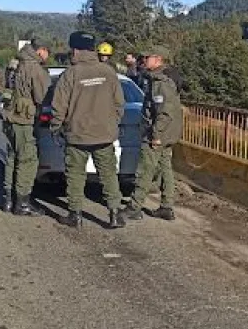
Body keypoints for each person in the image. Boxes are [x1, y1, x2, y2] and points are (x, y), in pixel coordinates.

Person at [50, 31, 126, 229]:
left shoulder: (70, 74)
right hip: (104, 134)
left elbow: (59, 106)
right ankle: (115, 213)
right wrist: (112, 123)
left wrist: (56, 127)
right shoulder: (109, 73)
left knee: (75, 175)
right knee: (108, 174)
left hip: (77, 135)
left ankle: (75, 215)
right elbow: (119, 103)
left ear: (75, 50)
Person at [121, 45, 183, 222]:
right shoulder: (163, 79)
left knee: (145, 169)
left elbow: (164, 112)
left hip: (158, 134)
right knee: (165, 169)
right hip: (168, 133)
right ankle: (166, 206)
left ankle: (135, 206)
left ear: (158, 60)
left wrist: (156, 135)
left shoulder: (160, 83)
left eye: (148, 58)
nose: (144, 60)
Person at [2, 39, 50, 215]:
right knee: (28, 160)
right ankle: (22, 203)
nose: (47, 57)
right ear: (41, 50)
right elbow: (40, 97)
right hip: (24, 119)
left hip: (9, 116)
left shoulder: (15, 63)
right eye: (47, 53)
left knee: (12, 158)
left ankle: (8, 199)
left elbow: (6, 88)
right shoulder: (35, 69)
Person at [0, 56, 21, 212]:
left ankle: (8, 198)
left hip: (9, 122)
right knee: (23, 160)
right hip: (20, 123)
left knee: (11, 159)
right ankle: (19, 198)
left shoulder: (7, 89)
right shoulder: (21, 88)